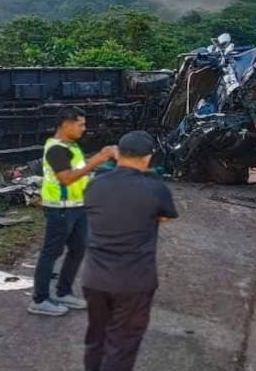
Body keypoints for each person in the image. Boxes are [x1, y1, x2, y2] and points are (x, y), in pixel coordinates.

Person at [82, 130, 179, 371]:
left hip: (94, 278)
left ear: (118, 154)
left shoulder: (94, 185)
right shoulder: (156, 189)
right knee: (121, 346)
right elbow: (163, 217)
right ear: (147, 158)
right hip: (134, 282)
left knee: (96, 340)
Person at [29, 106, 117, 317]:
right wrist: (99, 158)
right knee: (51, 253)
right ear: (65, 124)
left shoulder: (72, 146)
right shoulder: (56, 148)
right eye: (80, 124)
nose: (84, 129)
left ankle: (63, 292)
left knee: (79, 248)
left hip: (77, 207)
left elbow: (81, 171)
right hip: (60, 210)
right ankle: (39, 300)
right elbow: (67, 177)